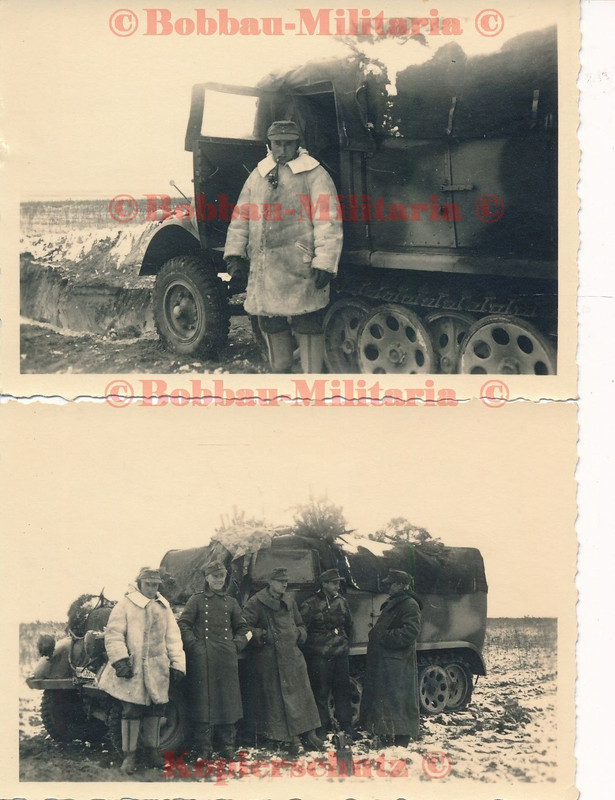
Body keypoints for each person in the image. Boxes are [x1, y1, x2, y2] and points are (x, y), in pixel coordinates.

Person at [223, 120, 343, 373]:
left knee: (308, 319)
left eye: (288, 144)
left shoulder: (314, 174)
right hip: (266, 266)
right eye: (278, 144)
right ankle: (282, 375)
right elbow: (241, 217)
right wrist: (235, 255)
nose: (283, 149)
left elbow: (327, 220)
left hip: (301, 265)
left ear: (297, 144)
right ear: (270, 144)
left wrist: (324, 262)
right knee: (271, 320)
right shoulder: (258, 175)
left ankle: (311, 381)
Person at [98, 567, 186, 774]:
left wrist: (177, 664)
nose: (152, 588)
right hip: (133, 669)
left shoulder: (163, 607)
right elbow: (114, 635)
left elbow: (173, 638)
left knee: (156, 709)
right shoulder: (125, 606)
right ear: (139, 583)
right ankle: (129, 756)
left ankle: (153, 751)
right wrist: (120, 660)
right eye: (148, 584)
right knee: (131, 711)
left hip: (157, 668)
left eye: (155, 585)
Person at [242, 567, 324, 755]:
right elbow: (243, 625)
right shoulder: (256, 602)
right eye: (280, 581)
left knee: (303, 695)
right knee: (281, 699)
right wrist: (264, 635)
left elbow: (300, 623)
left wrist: (299, 633)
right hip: (271, 659)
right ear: (270, 582)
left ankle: (310, 733)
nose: (284, 584)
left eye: (286, 581)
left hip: (293, 656)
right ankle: (291, 738)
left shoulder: (289, 600)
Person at [177, 561, 252, 761]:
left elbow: (245, 629)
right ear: (207, 578)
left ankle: (227, 747)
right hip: (204, 659)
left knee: (228, 701)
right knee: (204, 701)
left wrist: (236, 645)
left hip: (226, 658)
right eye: (215, 576)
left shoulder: (231, 602)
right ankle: (204, 748)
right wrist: (195, 646)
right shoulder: (197, 600)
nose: (219, 580)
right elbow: (183, 624)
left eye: (222, 576)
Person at [359, 569, 422, 747]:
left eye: (392, 584)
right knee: (388, 699)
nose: (388, 587)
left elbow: (410, 632)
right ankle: (387, 733)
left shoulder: (409, 604)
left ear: (402, 585)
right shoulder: (395, 602)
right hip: (388, 659)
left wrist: (383, 637)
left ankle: (402, 737)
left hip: (397, 661)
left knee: (399, 700)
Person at [299, 568, 354, 738]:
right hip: (320, 656)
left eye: (338, 583)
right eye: (334, 583)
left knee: (343, 691)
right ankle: (321, 730)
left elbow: (349, 625)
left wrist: (344, 644)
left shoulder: (342, 602)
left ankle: (346, 728)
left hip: (340, 654)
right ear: (324, 584)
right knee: (320, 693)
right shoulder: (310, 604)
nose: (337, 586)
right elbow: (303, 628)